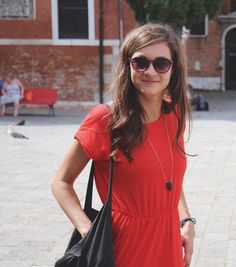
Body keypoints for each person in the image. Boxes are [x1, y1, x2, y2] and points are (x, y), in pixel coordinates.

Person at [51, 23, 196, 267]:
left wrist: (186, 220)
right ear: (128, 65)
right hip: (123, 248)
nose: (150, 71)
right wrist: (88, 232)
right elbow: (60, 182)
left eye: (161, 63)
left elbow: (169, 178)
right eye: (141, 62)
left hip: (168, 244)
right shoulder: (105, 119)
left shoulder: (175, 115)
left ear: (173, 69)